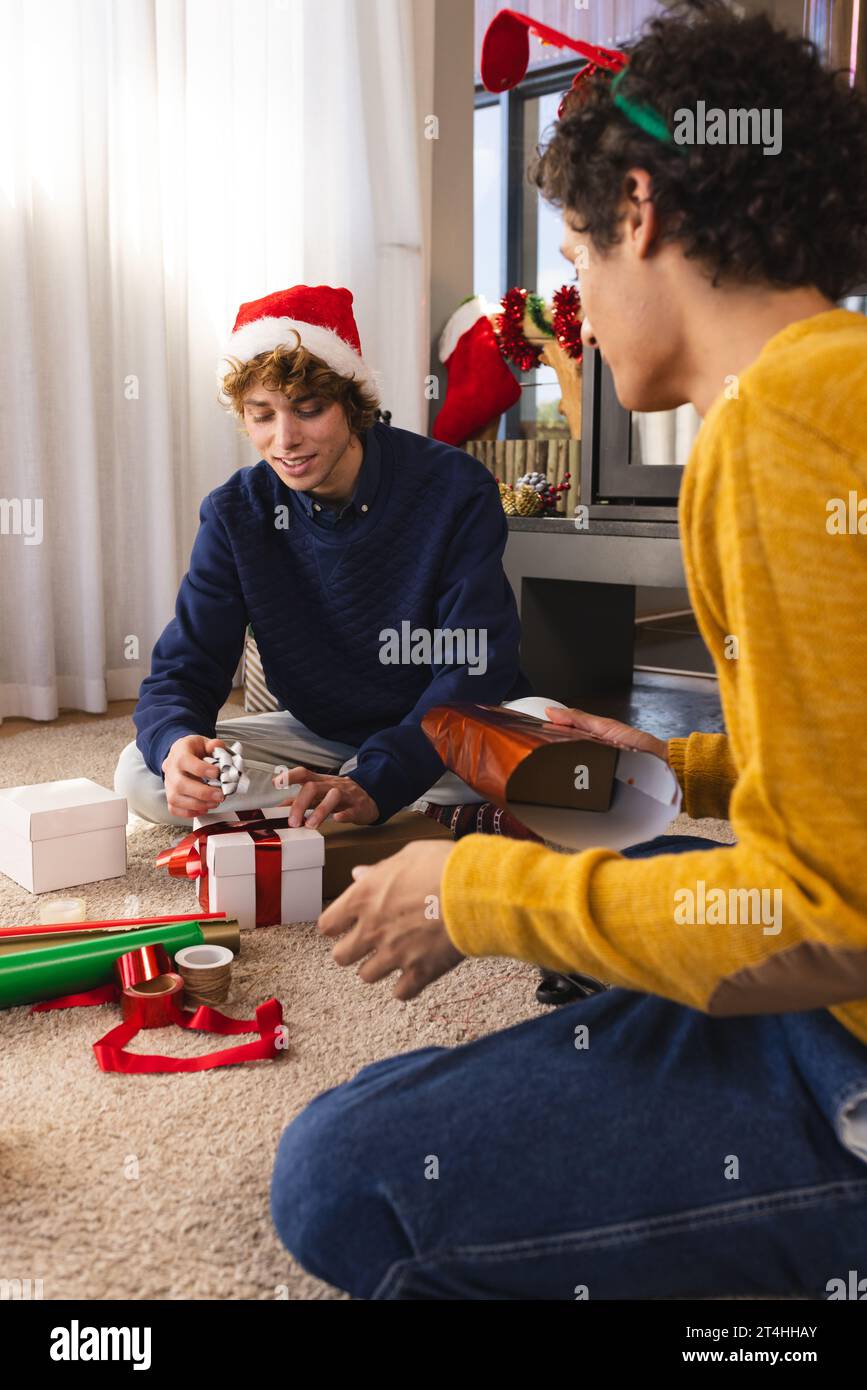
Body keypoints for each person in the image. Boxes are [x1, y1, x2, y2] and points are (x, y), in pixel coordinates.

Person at [270, 0, 867, 1299]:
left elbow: (829, 915)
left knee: (342, 1168)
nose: (576, 304)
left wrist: (466, 897)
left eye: (576, 254)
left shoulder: (782, 434)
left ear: (639, 209)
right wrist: (675, 762)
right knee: (597, 827)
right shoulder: (828, 385)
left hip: (843, 1034)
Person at [114, 284, 531, 829]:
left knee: (544, 745)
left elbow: (474, 663)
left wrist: (381, 774)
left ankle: (361, 801)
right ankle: (395, 812)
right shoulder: (235, 512)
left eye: (308, 410)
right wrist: (175, 745)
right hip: (320, 738)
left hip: (443, 734)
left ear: (352, 405)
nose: (285, 440)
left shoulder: (453, 487)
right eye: (261, 416)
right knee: (142, 774)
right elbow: (186, 666)